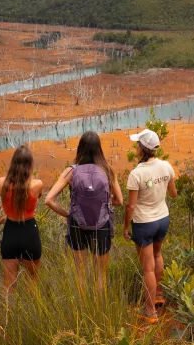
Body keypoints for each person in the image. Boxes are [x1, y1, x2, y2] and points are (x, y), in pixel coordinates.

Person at [46, 131, 123, 292]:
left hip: (77, 225)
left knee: (80, 273)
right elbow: (119, 201)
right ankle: (99, 308)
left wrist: (68, 214)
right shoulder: (108, 170)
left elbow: (49, 200)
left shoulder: (71, 172)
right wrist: (105, 205)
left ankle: (82, 309)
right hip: (102, 225)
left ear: (80, 149)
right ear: (99, 149)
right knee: (100, 274)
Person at [124, 129, 177, 323]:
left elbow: (130, 206)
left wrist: (125, 227)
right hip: (163, 219)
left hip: (144, 222)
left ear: (142, 148)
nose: (136, 146)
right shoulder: (166, 166)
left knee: (147, 268)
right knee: (157, 255)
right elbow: (173, 194)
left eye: (137, 144)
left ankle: (150, 312)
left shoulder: (136, 173)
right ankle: (159, 296)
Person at [0, 145, 43, 291]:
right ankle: (30, 312)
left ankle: (9, 313)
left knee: (9, 286)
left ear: (13, 162)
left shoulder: (1, 183)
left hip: (10, 231)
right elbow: (38, 196)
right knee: (32, 283)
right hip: (29, 231)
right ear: (30, 164)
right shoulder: (37, 184)